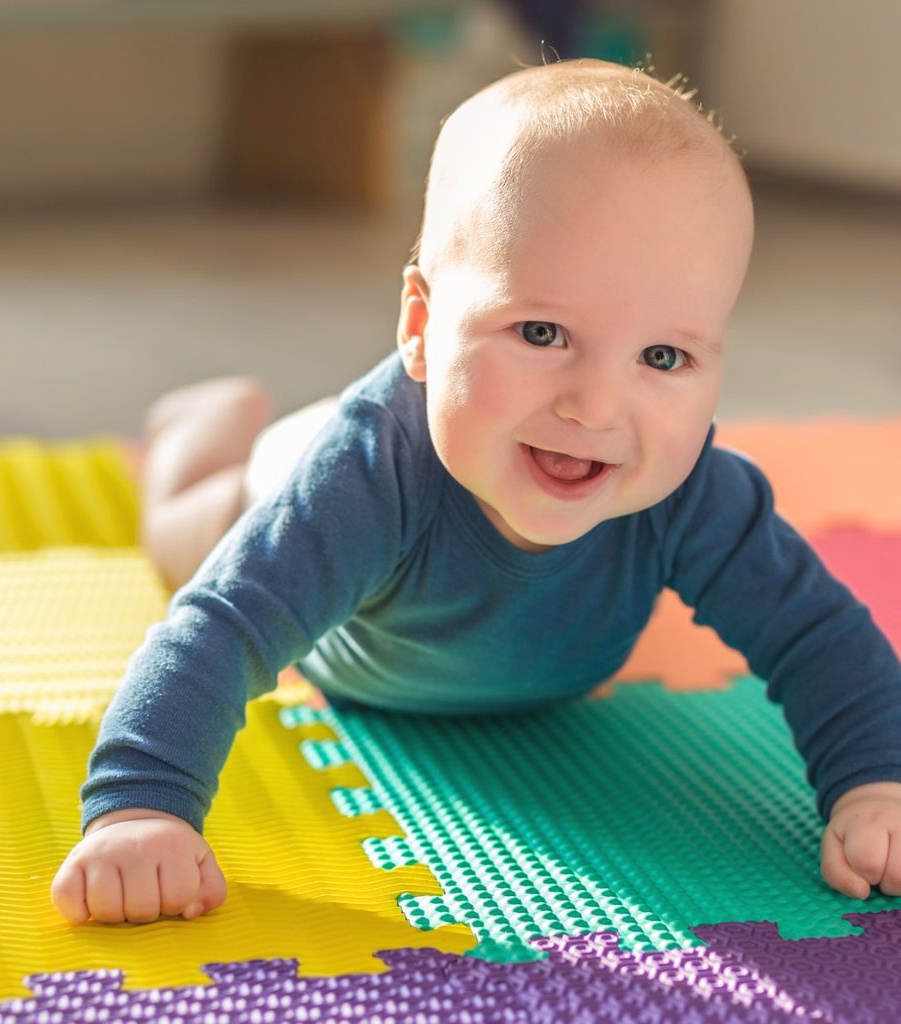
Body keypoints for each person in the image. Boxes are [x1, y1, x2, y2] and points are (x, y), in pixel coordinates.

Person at [52, 58, 901, 926]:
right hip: (285, 488)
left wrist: (879, 781)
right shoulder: (365, 478)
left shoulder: (690, 494)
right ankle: (203, 432)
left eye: (662, 357)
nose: (596, 406)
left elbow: (817, 633)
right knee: (181, 535)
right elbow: (219, 631)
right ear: (421, 328)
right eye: (542, 332)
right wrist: (141, 808)